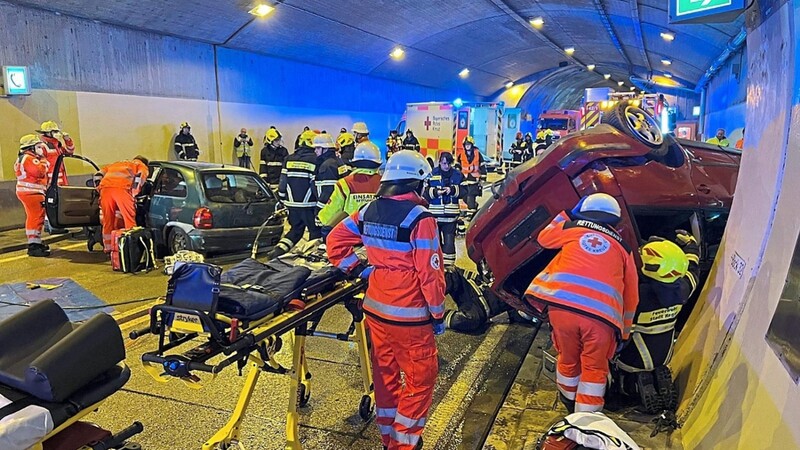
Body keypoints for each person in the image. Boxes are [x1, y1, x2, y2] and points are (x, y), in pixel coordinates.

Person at [327, 150, 446, 450]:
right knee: (420, 379)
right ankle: (404, 444)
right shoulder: (421, 219)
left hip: (376, 311)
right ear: (416, 183)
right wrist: (438, 314)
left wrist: (359, 269)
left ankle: (387, 439)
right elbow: (430, 275)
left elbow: (335, 242)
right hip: (411, 316)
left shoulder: (366, 212)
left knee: (385, 377)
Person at [525, 193, 639, 413]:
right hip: (601, 319)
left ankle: (568, 403)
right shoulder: (624, 249)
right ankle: (586, 419)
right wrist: (624, 333)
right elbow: (631, 296)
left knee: (567, 359)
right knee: (595, 368)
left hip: (563, 310)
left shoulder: (572, 229)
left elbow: (544, 238)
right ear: (615, 220)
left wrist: (565, 215)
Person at [613, 232, 699, 413]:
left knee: (615, 360)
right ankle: (656, 380)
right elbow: (693, 271)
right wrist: (691, 246)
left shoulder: (635, 297)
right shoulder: (683, 291)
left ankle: (633, 386)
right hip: (663, 356)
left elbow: (621, 335)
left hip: (632, 360)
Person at [269, 129, 321, 258]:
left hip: (292, 205)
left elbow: (282, 184)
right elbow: (315, 186)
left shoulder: (289, 159)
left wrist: (281, 201)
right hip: (309, 206)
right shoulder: (315, 160)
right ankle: (309, 260)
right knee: (315, 234)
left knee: (295, 231)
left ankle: (277, 252)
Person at [318, 141, 382, 237]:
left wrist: (321, 218)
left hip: (351, 235)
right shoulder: (384, 183)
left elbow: (331, 212)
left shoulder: (344, 183)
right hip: (377, 237)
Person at [97, 155, 150, 253]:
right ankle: (132, 248)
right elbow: (140, 178)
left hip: (105, 190)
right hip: (122, 190)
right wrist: (134, 193)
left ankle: (108, 248)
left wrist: (99, 188)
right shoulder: (141, 165)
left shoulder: (117, 163)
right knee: (129, 220)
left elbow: (98, 174)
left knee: (108, 220)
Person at [424, 152, 463, 268]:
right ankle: (436, 266)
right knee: (435, 243)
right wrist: (435, 192)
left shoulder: (458, 175)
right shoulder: (432, 174)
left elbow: (465, 191)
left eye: (449, 164)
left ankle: (449, 268)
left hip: (451, 217)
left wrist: (453, 190)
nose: (447, 166)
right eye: (444, 163)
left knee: (449, 242)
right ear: (440, 162)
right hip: (435, 215)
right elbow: (425, 192)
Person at [15, 135, 51, 257]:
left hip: (28, 192)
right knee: (36, 217)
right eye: (38, 146)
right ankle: (34, 246)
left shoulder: (24, 158)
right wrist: (45, 161)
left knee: (34, 217)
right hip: (32, 193)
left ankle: (35, 242)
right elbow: (39, 172)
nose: (40, 149)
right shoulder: (30, 158)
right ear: (31, 148)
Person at [37, 120, 75, 235]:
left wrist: (67, 140)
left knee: (57, 202)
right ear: (48, 133)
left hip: (59, 179)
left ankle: (56, 225)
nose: (56, 133)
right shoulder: (43, 146)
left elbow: (69, 152)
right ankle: (52, 226)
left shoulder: (56, 144)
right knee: (51, 202)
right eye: (54, 131)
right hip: (50, 181)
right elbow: (40, 164)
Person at [313, 134, 348, 212]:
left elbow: (328, 192)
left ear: (326, 149)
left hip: (329, 209)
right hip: (339, 206)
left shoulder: (327, 166)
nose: (315, 151)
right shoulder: (338, 161)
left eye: (318, 148)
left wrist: (319, 209)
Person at [455, 136, 486, 221]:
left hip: (474, 180)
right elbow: (457, 165)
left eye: (469, 144)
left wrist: (483, 178)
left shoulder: (477, 154)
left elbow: (482, 165)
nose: (467, 146)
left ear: (472, 145)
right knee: (465, 197)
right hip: (464, 180)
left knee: (470, 197)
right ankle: (474, 208)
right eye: (466, 144)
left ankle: (470, 215)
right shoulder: (461, 154)